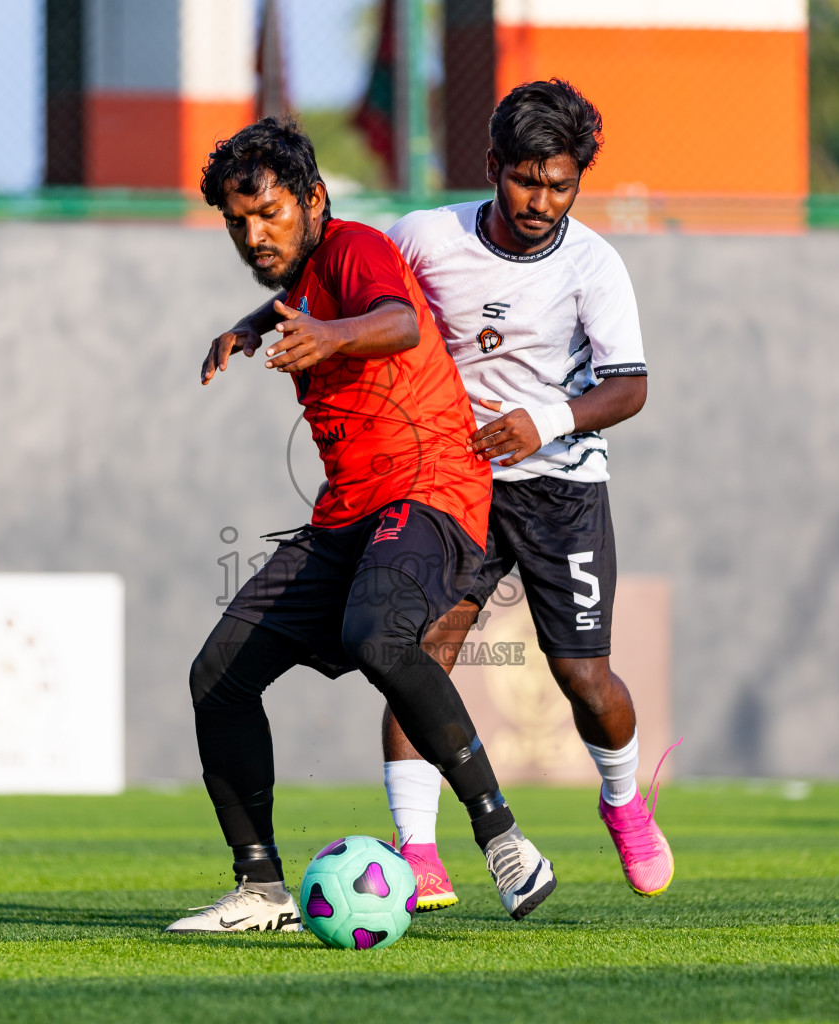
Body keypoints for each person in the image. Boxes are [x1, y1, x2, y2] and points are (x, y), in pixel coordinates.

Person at [166, 117, 557, 933]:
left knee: (381, 637)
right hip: (346, 516)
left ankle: (502, 835)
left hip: (433, 491)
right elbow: (298, 303)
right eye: (238, 222)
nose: (254, 233)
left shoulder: (354, 246)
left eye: (269, 213)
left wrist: (323, 334)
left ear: (313, 200)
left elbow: (398, 321)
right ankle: (262, 888)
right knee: (218, 679)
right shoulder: (301, 287)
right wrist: (255, 325)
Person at [380, 80, 673, 912]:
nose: (542, 201)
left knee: (585, 676)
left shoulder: (594, 264)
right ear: (491, 166)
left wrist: (543, 420)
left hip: (560, 489)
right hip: (454, 484)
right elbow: (362, 297)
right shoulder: (427, 237)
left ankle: (622, 802)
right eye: (525, 180)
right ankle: (416, 849)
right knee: (417, 654)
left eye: (560, 184)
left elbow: (631, 386)